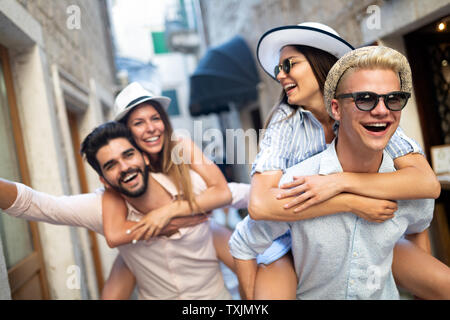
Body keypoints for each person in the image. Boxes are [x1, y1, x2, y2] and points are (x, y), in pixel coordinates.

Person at [240, 22, 446, 299]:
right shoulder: (284, 121)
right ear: (336, 108)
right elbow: (260, 204)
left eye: (289, 64)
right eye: (279, 68)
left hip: (365, 233)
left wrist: (339, 182)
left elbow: (426, 183)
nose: (280, 75)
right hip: (293, 241)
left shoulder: (370, 112)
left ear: (320, 61)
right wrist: (351, 202)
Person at [0, 121, 248, 299]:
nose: (125, 167)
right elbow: (39, 205)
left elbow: (243, 194)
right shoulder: (102, 209)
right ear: (105, 181)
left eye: (128, 155)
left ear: (145, 157)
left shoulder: (191, 185)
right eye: (111, 165)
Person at [98, 82, 247, 298]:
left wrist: (168, 212)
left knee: (245, 257)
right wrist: (177, 221)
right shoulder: (124, 170)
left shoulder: (182, 147)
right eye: (139, 122)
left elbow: (222, 192)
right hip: (146, 249)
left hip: (198, 241)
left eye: (155, 118)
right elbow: (114, 234)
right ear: (126, 132)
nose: (151, 128)